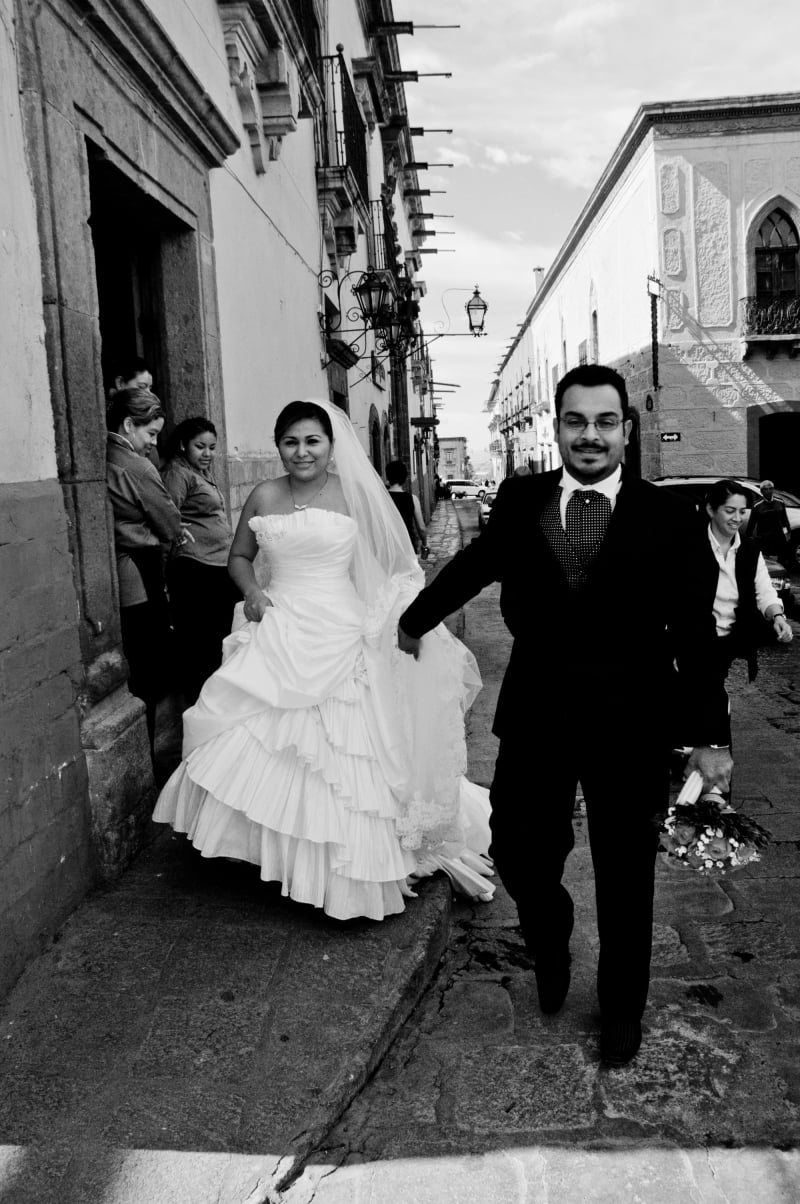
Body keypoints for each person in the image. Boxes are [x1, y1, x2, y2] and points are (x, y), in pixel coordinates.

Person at [397, 363, 732, 1067]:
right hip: (538, 710)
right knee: (518, 848)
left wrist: (710, 735)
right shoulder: (522, 499)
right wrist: (414, 619)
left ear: (626, 429)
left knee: (626, 870)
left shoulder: (669, 516)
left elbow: (697, 632)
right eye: (576, 421)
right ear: (557, 427)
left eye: (605, 421)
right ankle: (550, 935)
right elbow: (479, 564)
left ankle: (622, 1008)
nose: (590, 435)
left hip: (633, 719)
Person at [154, 400, 494, 920]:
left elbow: (389, 566)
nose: (302, 451)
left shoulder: (354, 494)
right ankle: (272, 850)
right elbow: (239, 557)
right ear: (278, 446)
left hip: (341, 627)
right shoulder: (264, 494)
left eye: (312, 441)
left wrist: (396, 619)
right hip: (280, 622)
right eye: (290, 442)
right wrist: (252, 593)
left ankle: (344, 859)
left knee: (347, 747)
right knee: (260, 737)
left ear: (331, 445)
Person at [106, 388, 183, 750]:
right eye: (150, 433)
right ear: (128, 425)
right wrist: (171, 528)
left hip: (122, 564)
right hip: (141, 566)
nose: (153, 443)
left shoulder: (103, 456)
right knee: (150, 660)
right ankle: (155, 748)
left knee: (137, 657)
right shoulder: (137, 466)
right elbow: (169, 523)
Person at [161, 418, 239, 704]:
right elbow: (166, 517)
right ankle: (201, 706)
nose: (208, 453)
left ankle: (220, 702)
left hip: (218, 567)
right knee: (201, 644)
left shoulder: (201, 472)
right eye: (200, 446)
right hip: (196, 569)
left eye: (212, 447)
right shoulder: (178, 474)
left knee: (225, 637)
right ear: (183, 445)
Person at [702, 479, 792, 712]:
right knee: (705, 698)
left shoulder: (749, 550)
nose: (737, 518)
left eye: (742, 511)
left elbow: (764, 591)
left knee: (714, 698)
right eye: (730, 510)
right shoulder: (690, 547)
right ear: (711, 509)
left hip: (730, 638)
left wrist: (777, 616)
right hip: (695, 639)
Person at [745, 479, 793, 568]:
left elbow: (785, 520)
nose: (768, 491)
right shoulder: (757, 505)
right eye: (765, 489)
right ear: (762, 491)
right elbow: (751, 523)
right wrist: (748, 538)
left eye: (770, 488)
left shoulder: (780, 502)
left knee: (780, 562)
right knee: (767, 563)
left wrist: (787, 533)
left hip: (779, 537)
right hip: (764, 538)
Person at [386, 460, 428, 557]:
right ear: (405, 478)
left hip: (388, 548)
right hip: (408, 546)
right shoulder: (412, 499)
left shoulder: (381, 497)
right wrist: (425, 544)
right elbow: (421, 528)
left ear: (388, 477)